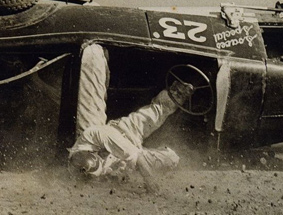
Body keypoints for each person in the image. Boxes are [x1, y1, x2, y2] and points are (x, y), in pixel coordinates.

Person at [67, 43, 194, 193]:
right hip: (129, 152)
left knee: (156, 112)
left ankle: (179, 91)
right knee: (172, 158)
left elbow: (136, 157)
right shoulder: (78, 168)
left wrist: (151, 184)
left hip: (125, 131)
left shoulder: (94, 135)